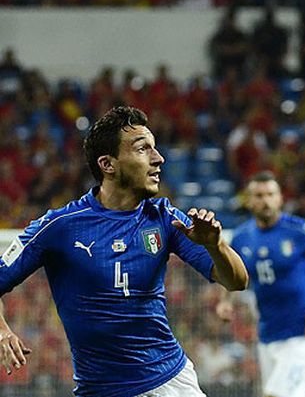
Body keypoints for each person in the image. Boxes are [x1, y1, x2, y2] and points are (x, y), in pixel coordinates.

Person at [0, 106, 249, 397]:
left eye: (155, 149)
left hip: (170, 382)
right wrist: (2, 330)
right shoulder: (60, 226)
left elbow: (237, 281)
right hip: (100, 390)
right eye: (143, 149)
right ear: (108, 164)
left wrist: (214, 244)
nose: (158, 159)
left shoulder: (164, 217)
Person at [216, 171, 305, 397]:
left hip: (303, 337)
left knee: (275, 395)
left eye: (271, 194)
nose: (266, 200)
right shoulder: (241, 238)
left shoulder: (301, 231)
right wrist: (225, 301)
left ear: (280, 198)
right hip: (268, 337)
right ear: (249, 201)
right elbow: (231, 274)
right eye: (259, 195)